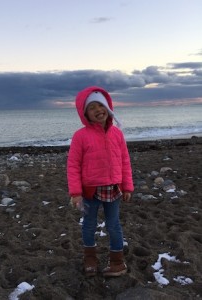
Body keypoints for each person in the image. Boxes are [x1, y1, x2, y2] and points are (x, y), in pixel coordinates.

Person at [67, 86, 134, 277]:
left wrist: (127, 186)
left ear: (108, 107)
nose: (98, 110)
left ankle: (117, 262)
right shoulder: (81, 136)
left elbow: (125, 160)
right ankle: (90, 259)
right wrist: (76, 193)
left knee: (114, 225)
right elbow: (73, 165)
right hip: (89, 191)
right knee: (89, 224)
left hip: (113, 189)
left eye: (100, 105)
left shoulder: (117, 134)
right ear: (85, 113)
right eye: (92, 107)